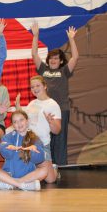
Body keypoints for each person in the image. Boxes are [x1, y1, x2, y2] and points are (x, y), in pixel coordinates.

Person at [31, 23, 79, 165]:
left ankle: (60, 167)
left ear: (61, 60)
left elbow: (75, 57)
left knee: (60, 138)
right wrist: (35, 36)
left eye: (56, 58)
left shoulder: (64, 71)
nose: (53, 60)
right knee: (44, 138)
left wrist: (71, 38)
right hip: (43, 110)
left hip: (61, 109)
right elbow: (34, 54)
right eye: (51, 58)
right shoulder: (43, 69)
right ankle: (46, 165)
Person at [0, 110, 45, 191]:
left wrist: (31, 152)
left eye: (21, 120)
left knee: (45, 170)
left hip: (28, 175)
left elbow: (40, 158)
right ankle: (21, 185)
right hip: (8, 174)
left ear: (27, 121)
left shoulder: (35, 138)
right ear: (13, 125)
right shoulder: (8, 137)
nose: (19, 124)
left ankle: (10, 184)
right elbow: (4, 152)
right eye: (15, 122)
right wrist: (11, 148)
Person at [17, 75, 61, 183]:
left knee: (50, 180)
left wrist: (51, 122)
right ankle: (36, 168)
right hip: (28, 143)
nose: (35, 89)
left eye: (38, 85)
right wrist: (18, 107)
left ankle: (53, 169)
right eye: (32, 87)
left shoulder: (53, 104)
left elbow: (57, 130)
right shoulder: (32, 103)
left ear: (45, 86)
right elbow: (25, 122)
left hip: (42, 145)